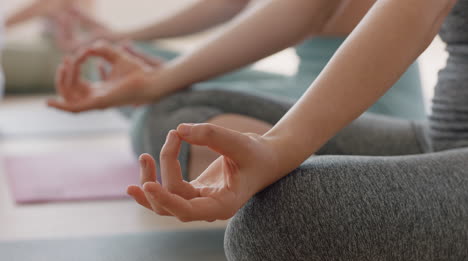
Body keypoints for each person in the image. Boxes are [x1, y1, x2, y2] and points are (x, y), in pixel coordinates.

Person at [55, 0, 468, 261]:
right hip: (436, 135)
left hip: (386, 103)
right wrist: (155, 82)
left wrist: (279, 148)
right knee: (173, 115)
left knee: (278, 221)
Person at [48, 0, 426, 180]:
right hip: (301, 85)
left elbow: (307, 10)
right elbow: (227, 4)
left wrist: (158, 83)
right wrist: (120, 39)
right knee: (129, 67)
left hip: (366, 104)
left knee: (167, 117)